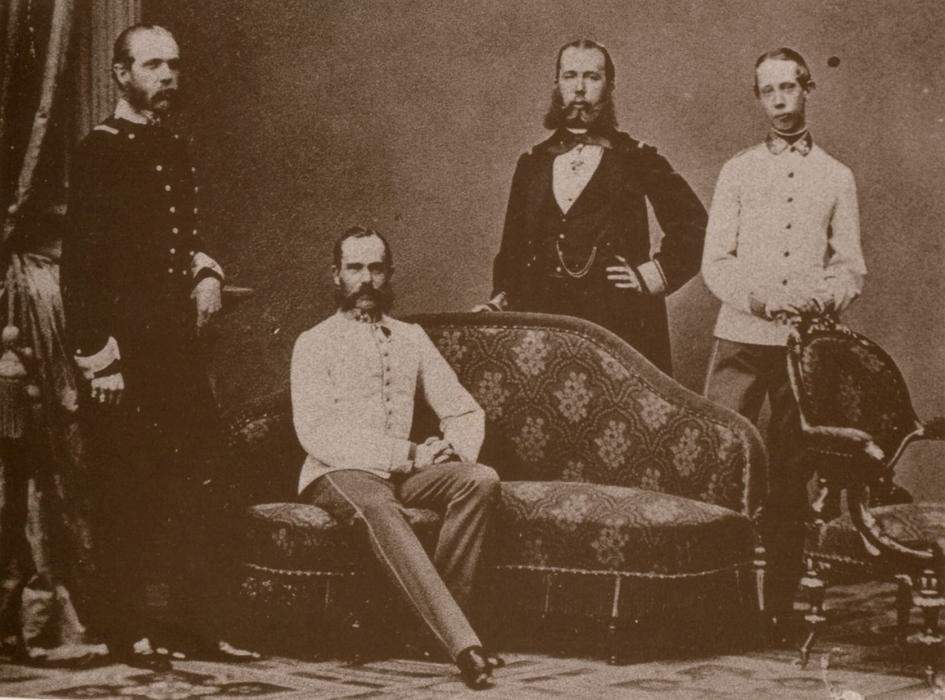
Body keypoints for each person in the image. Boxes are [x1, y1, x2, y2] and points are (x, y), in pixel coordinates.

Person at [60, 24, 258, 669]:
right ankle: (131, 630)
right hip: (125, 355)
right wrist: (100, 358)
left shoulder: (172, 144)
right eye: (152, 65)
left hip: (175, 351)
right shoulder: (99, 150)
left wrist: (207, 273)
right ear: (121, 74)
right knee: (128, 493)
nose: (168, 76)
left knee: (196, 486)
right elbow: (80, 267)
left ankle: (196, 627)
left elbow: (179, 238)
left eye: (173, 64)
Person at [291, 226, 502, 690]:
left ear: (389, 274)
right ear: (335, 275)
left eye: (376, 268)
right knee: (379, 506)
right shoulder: (314, 341)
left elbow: (463, 409)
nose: (366, 279)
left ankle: (432, 632)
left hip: (403, 473)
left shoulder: (411, 337)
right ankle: (464, 645)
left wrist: (451, 449)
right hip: (338, 471)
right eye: (354, 268)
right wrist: (407, 453)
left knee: (480, 479)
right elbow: (317, 433)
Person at [701, 48, 866, 639]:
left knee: (793, 468)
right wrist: (761, 301)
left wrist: (820, 301)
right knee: (723, 459)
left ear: (807, 89)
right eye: (767, 90)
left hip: (806, 347)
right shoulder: (737, 171)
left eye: (788, 88)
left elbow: (850, 267)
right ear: (758, 97)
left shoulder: (836, 176)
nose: (778, 101)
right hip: (742, 338)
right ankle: (717, 602)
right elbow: (715, 261)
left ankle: (778, 606)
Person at [479, 39, 707, 375]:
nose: (580, 89)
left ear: (609, 87)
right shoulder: (532, 163)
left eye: (592, 77)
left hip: (619, 320)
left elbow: (694, 226)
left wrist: (650, 276)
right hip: (545, 320)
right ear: (557, 84)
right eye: (570, 76)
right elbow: (513, 249)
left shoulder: (636, 157)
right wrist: (499, 301)